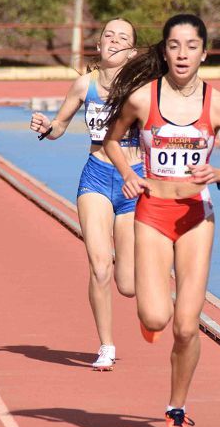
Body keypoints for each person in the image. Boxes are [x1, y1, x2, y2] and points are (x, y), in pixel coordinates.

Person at [103, 14, 220, 427]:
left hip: (196, 218)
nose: (183, 53)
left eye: (191, 46)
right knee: (155, 317)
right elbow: (112, 139)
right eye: (174, 45)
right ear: (165, 51)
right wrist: (128, 173)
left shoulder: (219, 105)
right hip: (152, 212)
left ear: (204, 53)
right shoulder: (141, 99)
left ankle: (176, 409)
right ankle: (150, 316)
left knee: (186, 326)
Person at [29, 18, 141, 371]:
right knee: (98, 265)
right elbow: (60, 125)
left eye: (123, 38)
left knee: (127, 283)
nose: (114, 40)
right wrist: (49, 127)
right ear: (99, 45)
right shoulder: (84, 85)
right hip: (95, 177)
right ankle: (105, 344)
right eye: (109, 35)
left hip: (133, 180)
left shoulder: (143, 87)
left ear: (133, 52)